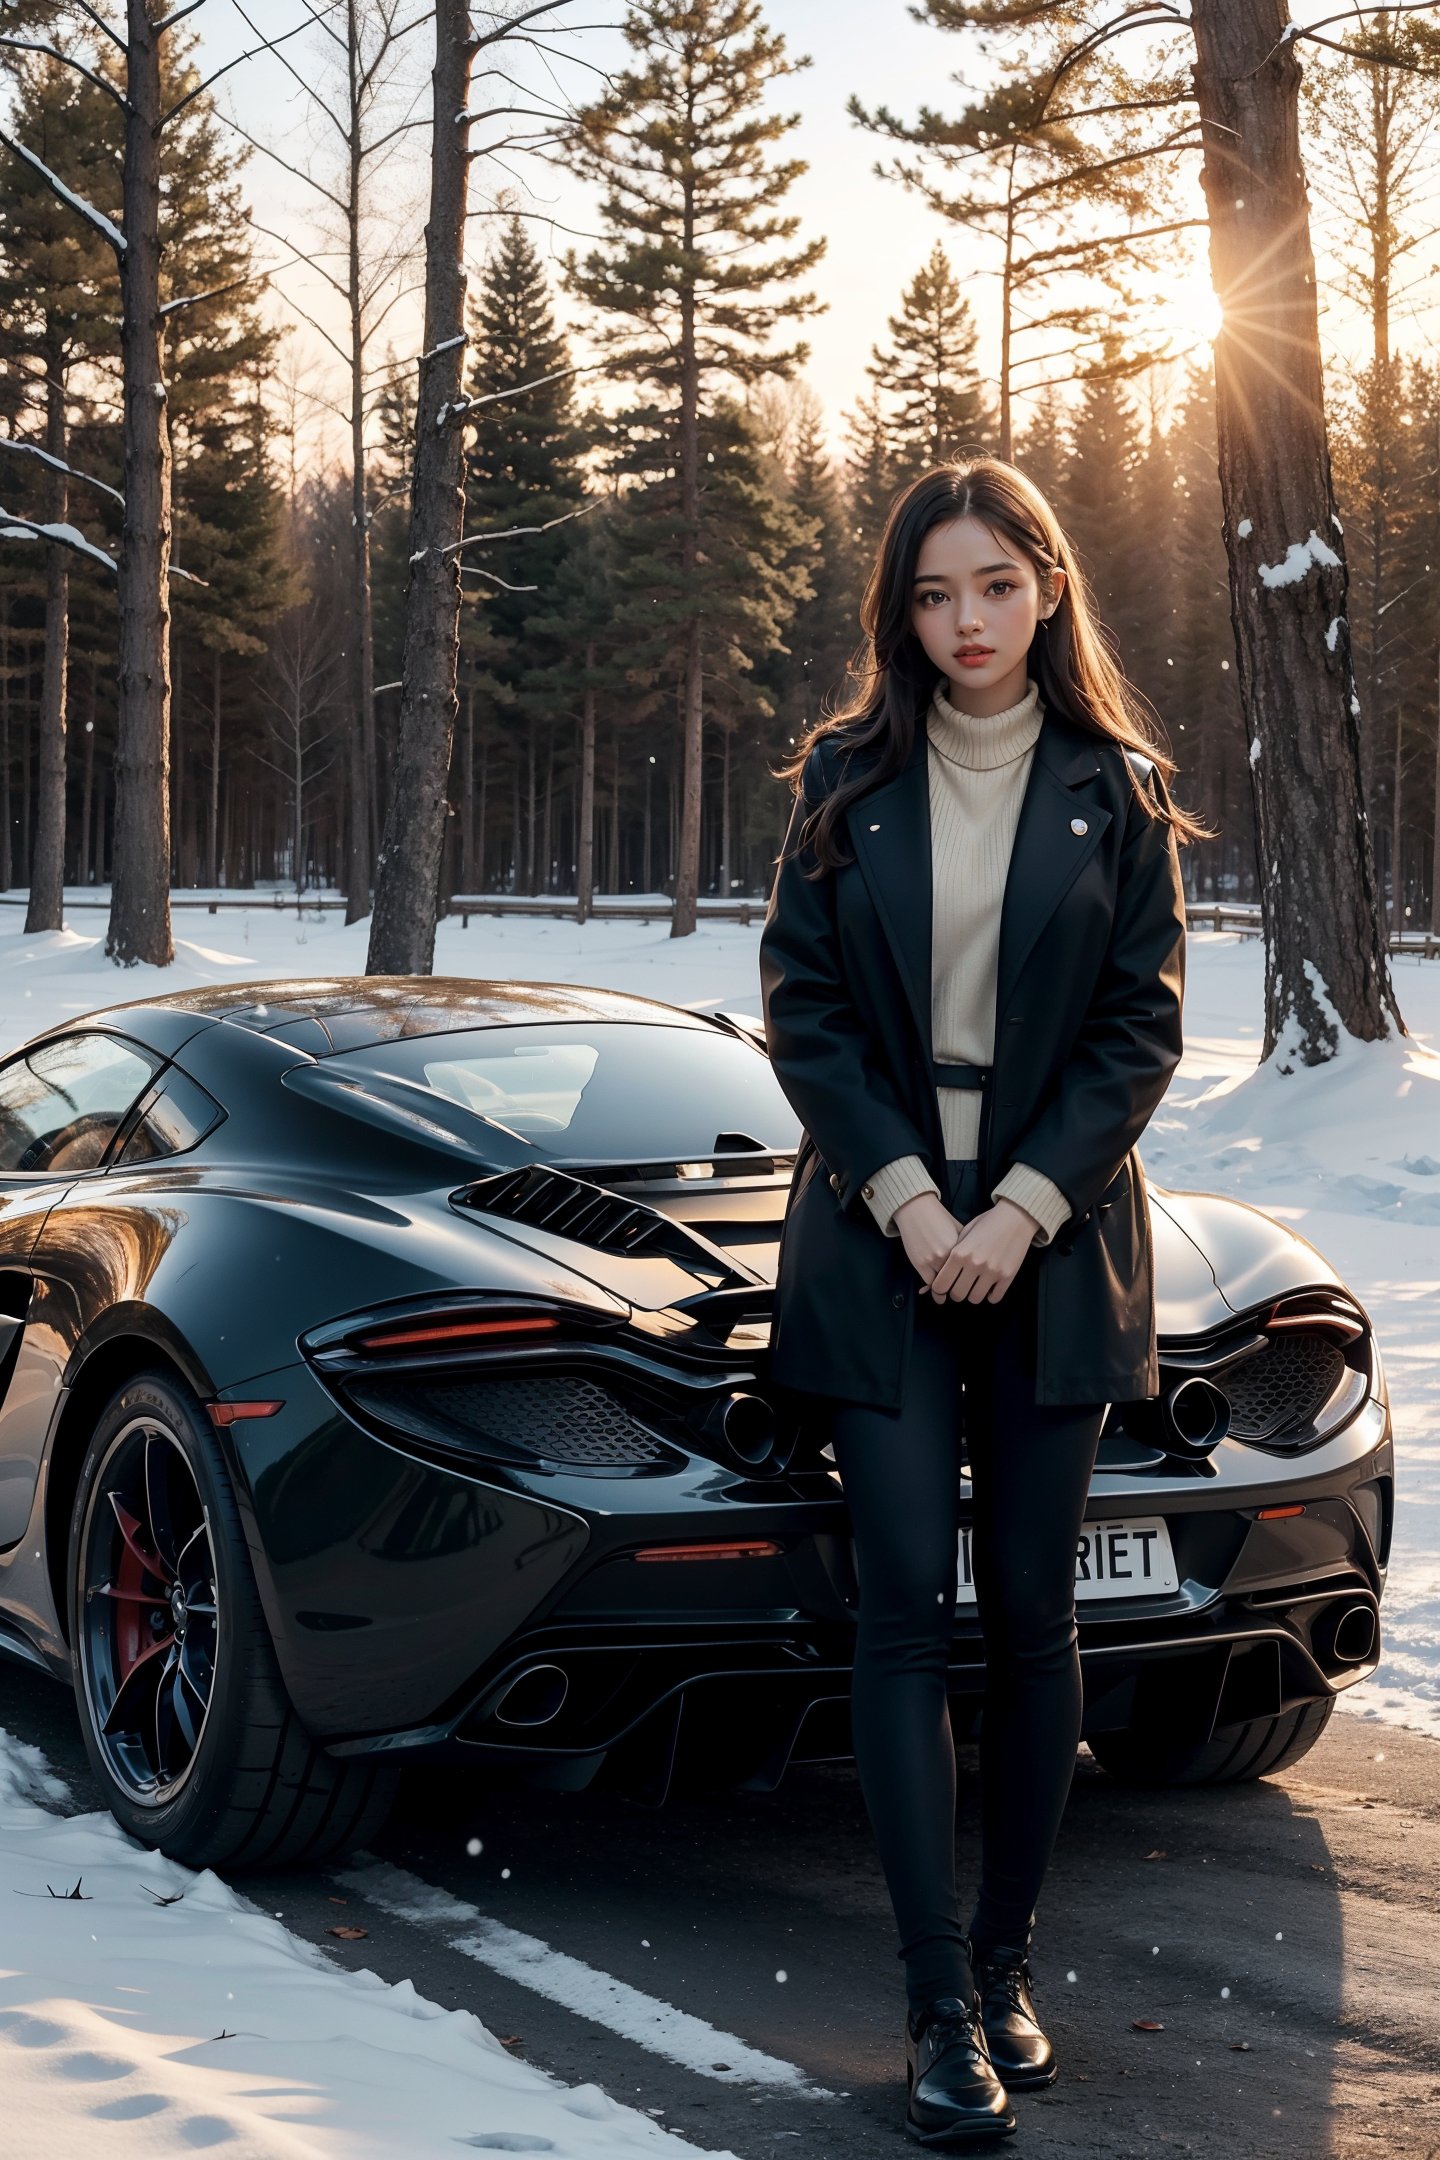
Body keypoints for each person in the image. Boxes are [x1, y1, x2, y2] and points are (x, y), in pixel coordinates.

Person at [758, 457, 1204, 2148]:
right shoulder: (842, 779)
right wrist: (906, 1200)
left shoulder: (1120, 789)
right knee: (899, 1612)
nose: (965, 624)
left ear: (1050, 587)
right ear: (902, 607)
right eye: (934, 594)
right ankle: (935, 2000)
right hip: (877, 1241)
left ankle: (1010, 1970)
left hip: (1054, 1243)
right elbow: (806, 1014)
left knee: (1030, 1613)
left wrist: (1012, 1214)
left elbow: (1135, 1034)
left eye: (995, 587)